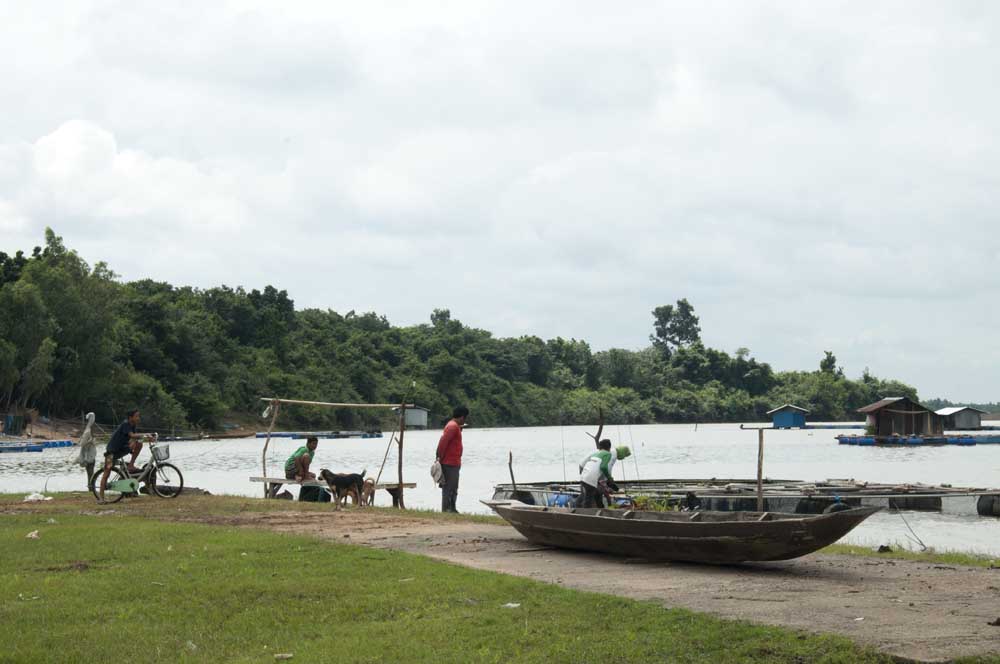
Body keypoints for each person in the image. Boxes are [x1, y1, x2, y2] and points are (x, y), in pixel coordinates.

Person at [98, 410, 145, 502]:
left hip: (122, 449)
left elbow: (133, 438)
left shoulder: (133, 425)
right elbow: (132, 435)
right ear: (130, 417)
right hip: (111, 452)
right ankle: (101, 498)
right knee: (106, 473)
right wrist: (146, 434)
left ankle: (131, 465)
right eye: (136, 416)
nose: (138, 418)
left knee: (139, 443)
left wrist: (145, 438)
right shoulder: (125, 424)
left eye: (138, 416)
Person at [436, 405, 468, 513]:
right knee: (449, 488)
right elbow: (443, 442)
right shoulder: (452, 426)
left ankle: (452, 508)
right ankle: (446, 509)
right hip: (449, 463)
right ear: (462, 417)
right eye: (465, 418)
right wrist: (439, 457)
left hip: (453, 462)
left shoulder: (455, 427)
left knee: (453, 487)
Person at [577, 439, 618, 508]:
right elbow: (604, 467)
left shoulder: (596, 453)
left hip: (583, 476)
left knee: (594, 494)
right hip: (590, 479)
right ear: (609, 447)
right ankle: (585, 515)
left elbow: (594, 467)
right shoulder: (608, 454)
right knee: (588, 500)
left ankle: (600, 509)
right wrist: (609, 478)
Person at [75, 412, 97, 488]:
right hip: (90, 454)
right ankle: (91, 486)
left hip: (89, 455)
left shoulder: (88, 431)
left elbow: (82, 443)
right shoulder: (90, 430)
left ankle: (91, 486)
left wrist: (81, 441)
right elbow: (85, 442)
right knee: (90, 471)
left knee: (90, 471)